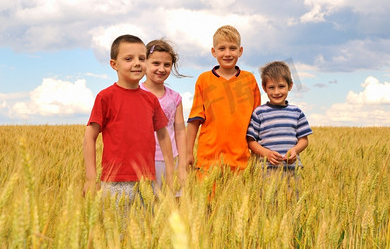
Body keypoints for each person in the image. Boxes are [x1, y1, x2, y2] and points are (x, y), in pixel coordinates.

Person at [83, 34, 174, 202]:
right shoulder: (105, 97)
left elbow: (163, 135)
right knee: (119, 228)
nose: (137, 63)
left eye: (142, 58)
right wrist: (91, 178)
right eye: (128, 59)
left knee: (147, 227)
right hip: (114, 182)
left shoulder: (150, 100)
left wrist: (170, 172)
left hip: (147, 181)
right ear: (114, 64)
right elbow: (89, 137)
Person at [186, 25, 261, 172]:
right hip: (208, 161)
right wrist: (188, 152)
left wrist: (258, 154)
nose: (227, 53)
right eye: (222, 49)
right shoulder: (204, 80)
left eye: (232, 48)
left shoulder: (249, 80)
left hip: (242, 161)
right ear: (213, 52)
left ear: (240, 51)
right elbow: (194, 120)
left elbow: (257, 122)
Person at [140, 39, 187, 194]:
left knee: (174, 204)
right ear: (144, 62)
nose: (161, 69)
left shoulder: (175, 98)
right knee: (147, 207)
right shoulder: (135, 94)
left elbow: (180, 131)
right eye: (156, 63)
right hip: (143, 161)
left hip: (170, 160)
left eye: (167, 65)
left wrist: (182, 165)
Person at [246, 61, 312, 172]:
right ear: (264, 87)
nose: (276, 92)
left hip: (292, 169)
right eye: (271, 87)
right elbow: (251, 141)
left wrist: (295, 150)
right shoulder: (259, 113)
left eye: (281, 86)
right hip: (265, 169)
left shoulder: (296, 112)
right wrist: (267, 154)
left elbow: (304, 140)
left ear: (290, 85)